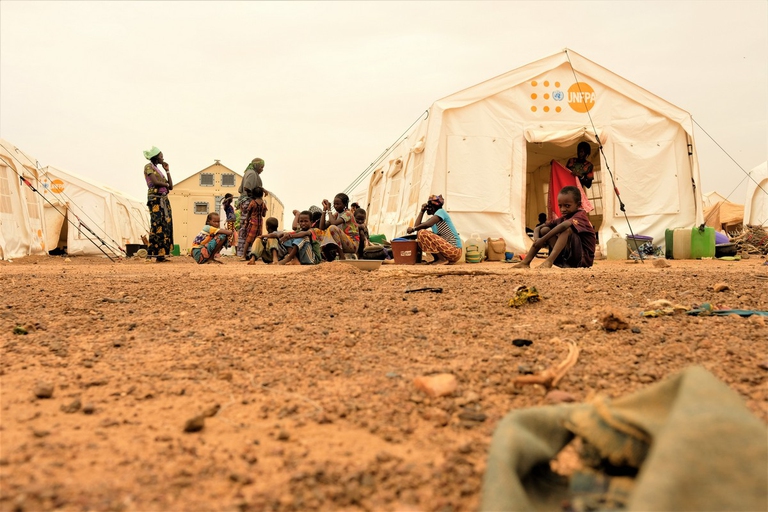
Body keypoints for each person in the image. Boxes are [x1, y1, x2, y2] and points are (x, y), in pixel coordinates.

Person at [514, 186, 596, 269]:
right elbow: (539, 228)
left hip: (582, 258)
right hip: (569, 257)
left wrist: (542, 240)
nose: (563, 209)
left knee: (566, 230)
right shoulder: (564, 217)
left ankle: (549, 261)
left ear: (578, 204)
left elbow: (564, 226)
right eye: (560, 206)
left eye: (567, 206)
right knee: (545, 230)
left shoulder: (580, 215)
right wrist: (536, 239)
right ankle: (526, 262)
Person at [406, 194, 462, 265]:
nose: (428, 209)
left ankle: (442, 259)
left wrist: (413, 229)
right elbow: (417, 226)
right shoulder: (433, 220)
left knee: (422, 233)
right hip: (448, 253)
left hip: (454, 251)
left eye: (429, 206)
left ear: (434, 206)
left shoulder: (441, 212)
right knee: (421, 233)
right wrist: (422, 211)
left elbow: (426, 225)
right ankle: (438, 259)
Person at [143, 146, 174, 262]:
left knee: (165, 226)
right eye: (161, 156)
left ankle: (161, 254)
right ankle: (152, 253)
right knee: (157, 225)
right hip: (155, 199)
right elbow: (155, 183)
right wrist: (164, 185)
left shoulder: (159, 171)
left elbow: (170, 186)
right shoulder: (148, 167)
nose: (163, 158)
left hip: (163, 200)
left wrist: (167, 171)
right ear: (156, 157)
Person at [236, 158, 267, 257]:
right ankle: (246, 253)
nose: (262, 169)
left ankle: (246, 252)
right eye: (261, 167)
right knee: (247, 229)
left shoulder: (250, 172)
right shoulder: (252, 174)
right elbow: (247, 188)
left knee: (246, 229)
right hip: (247, 201)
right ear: (257, 166)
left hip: (245, 202)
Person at [318, 193, 359, 261]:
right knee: (318, 232)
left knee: (332, 228)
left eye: (338, 204)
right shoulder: (337, 215)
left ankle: (341, 256)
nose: (335, 206)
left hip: (352, 244)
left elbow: (333, 223)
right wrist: (324, 210)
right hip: (343, 243)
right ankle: (327, 257)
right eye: (334, 204)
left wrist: (329, 209)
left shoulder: (348, 214)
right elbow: (322, 227)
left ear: (345, 205)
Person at [242, 187, 268, 260]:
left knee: (248, 240)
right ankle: (257, 255)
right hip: (260, 224)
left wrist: (246, 222)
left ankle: (244, 255)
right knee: (258, 239)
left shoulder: (252, 203)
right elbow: (264, 215)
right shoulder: (263, 204)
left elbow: (248, 213)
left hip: (253, 223)